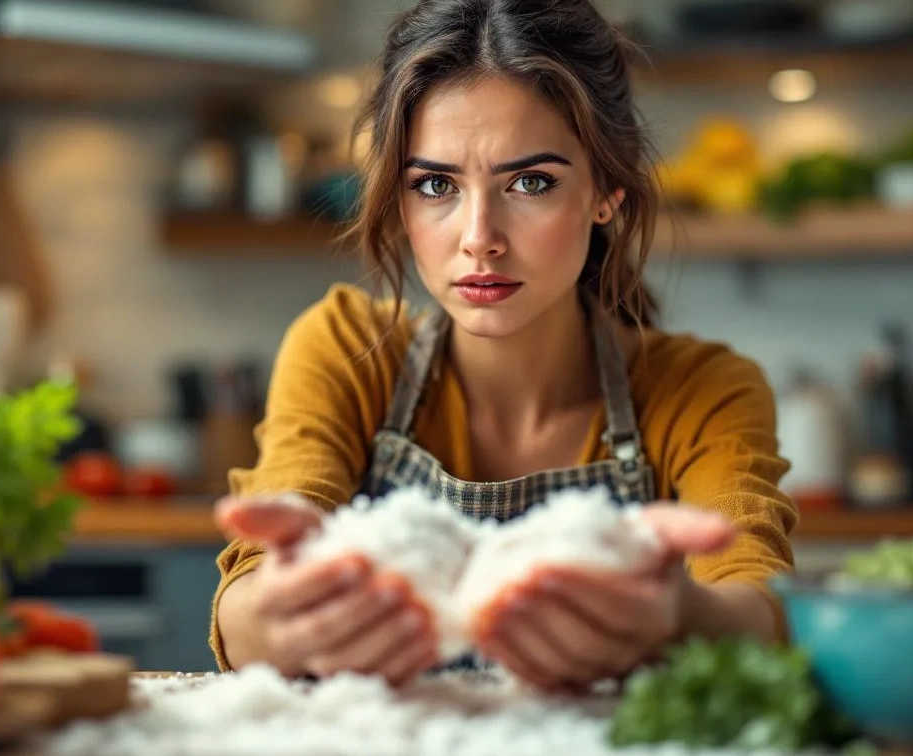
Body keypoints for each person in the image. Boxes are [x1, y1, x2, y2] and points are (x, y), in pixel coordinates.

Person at [209, 0, 797, 691]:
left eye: (531, 182)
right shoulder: (346, 351)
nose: (479, 236)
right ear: (399, 202)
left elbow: (762, 610)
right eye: (436, 185)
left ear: (607, 189)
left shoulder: (704, 391)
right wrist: (280, 615)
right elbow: (246, 609)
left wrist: (679, 615)